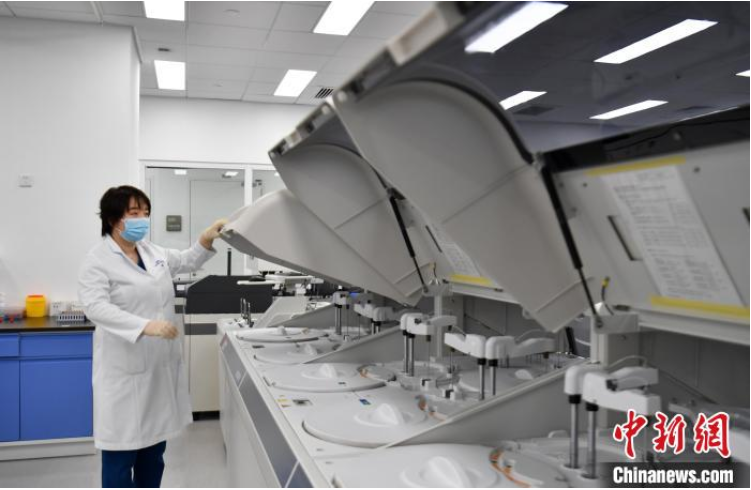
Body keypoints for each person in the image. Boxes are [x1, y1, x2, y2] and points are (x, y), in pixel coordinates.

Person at [78, 185, 227, 488]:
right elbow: (95, 307)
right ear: (113, 219)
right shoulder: (98, 260)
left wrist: (206, 238)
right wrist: (145, 326)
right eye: (134, 213)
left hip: (158, 371)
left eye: (145, 213)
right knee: (120, 462)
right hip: (123, 374)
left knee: (154, 457)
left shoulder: (151, 252)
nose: (142, 219)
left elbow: (186, 260)